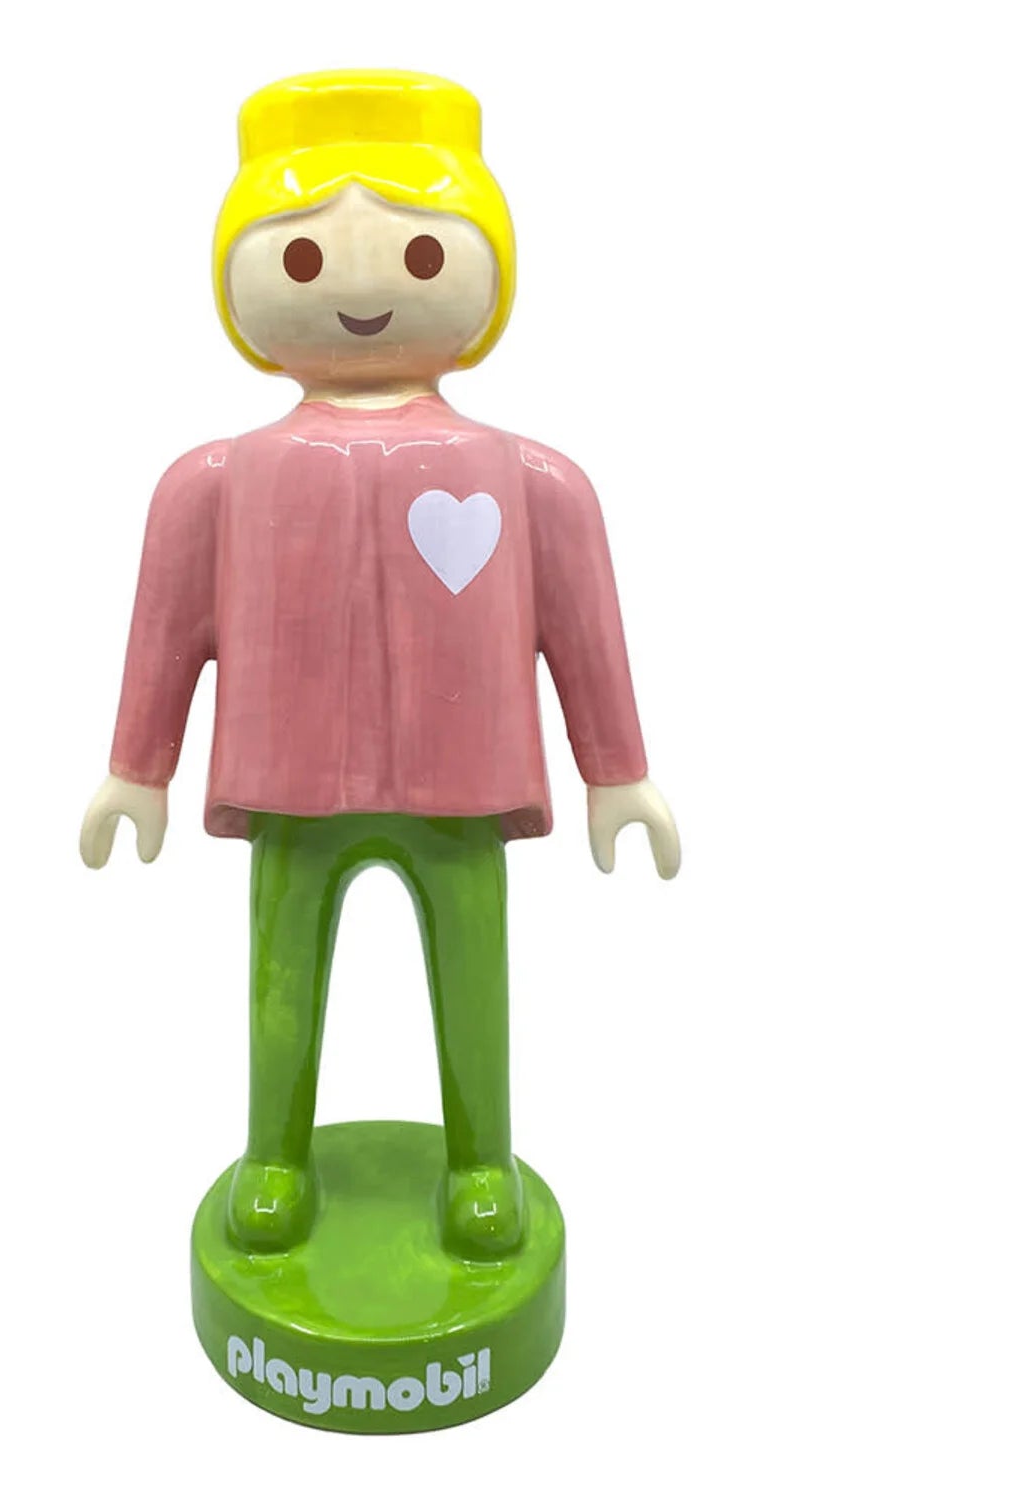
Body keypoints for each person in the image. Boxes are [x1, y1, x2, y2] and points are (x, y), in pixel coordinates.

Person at [80, 70, 680, 1261]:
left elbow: (584, 628)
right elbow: (165, 630)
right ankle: (274, 1155)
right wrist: (135, 770)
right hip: (288, 787)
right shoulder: (210, 483)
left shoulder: (535, 480)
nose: (360, 292)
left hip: (463, 786)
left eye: (420, 256)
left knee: (474, 973)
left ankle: (480, 1159)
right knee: (280, 976)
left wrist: (618, 772)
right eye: (302, 260)